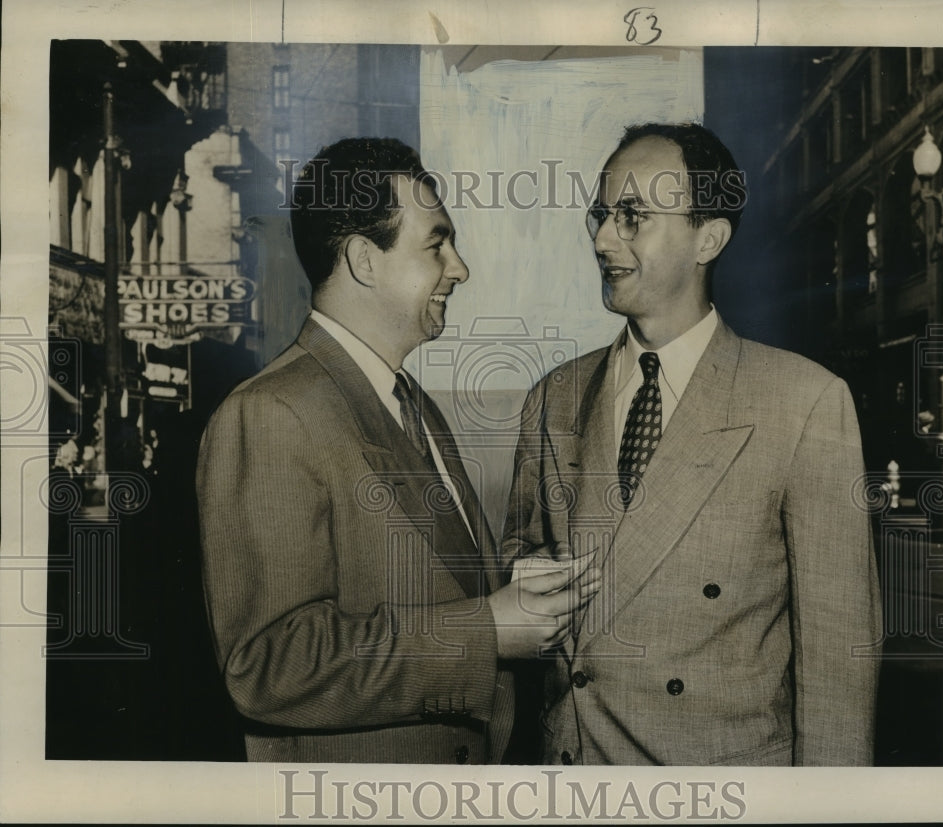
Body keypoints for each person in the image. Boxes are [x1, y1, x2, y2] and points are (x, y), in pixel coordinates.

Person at [197, 137, 598, 764]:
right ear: (363, 259)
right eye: (437, 244)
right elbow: (270, 667)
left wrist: (516, 592)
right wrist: (489, 629)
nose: (459, 268)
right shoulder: (271, 414)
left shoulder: (411, 402)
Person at [502, 122, 881, 766]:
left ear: (708, 238)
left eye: (632, 217)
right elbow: (521, 553)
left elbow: (839, 663)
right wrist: (527, 578)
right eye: (600, 215)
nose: (600, 239)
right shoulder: (554, 396)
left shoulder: (805, 402)